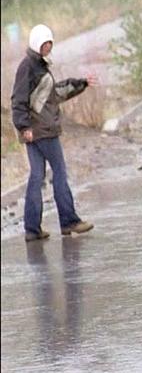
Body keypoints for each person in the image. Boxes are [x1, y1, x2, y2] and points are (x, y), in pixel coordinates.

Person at [10, 25, 96, 241]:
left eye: (50, 43)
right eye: (44, 43)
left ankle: (32, 229)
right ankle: (69, 221)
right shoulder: (29, 66)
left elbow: (54, 94)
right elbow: (18, 100)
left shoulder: (39, 65)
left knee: (37, 176)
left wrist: (81, 83)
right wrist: (24, 126)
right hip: (42, 130)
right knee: (59, 173)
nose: (48, 46)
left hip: (35, 130)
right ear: (36, 43)